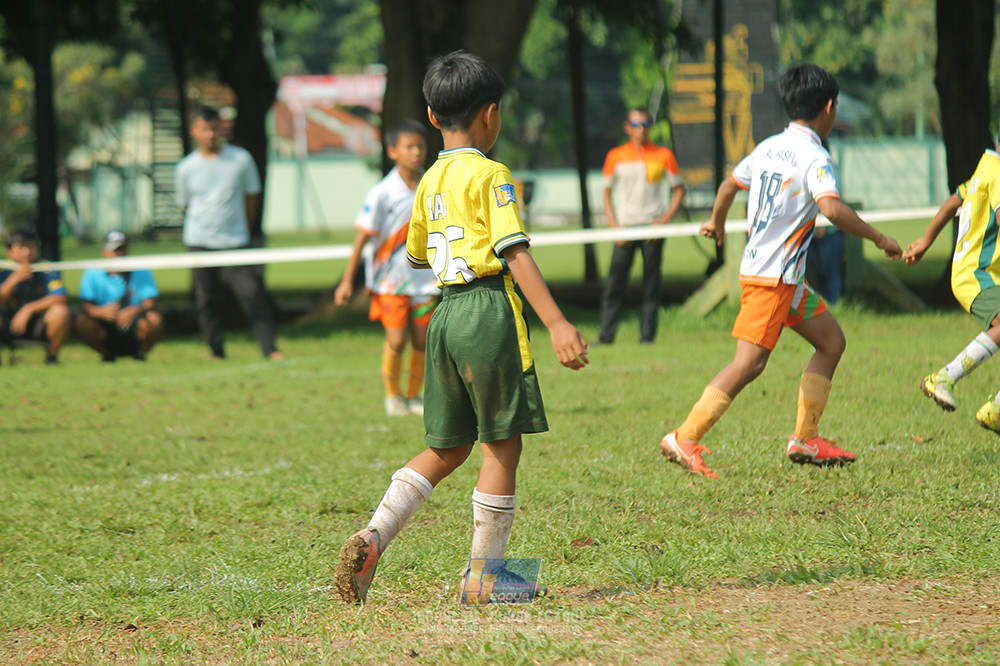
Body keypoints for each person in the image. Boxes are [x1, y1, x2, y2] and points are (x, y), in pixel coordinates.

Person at [333, 51, 589, 605]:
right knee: (502, 444)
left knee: (448, 446)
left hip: (443, 314)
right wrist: (557, 321)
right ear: (491, 115)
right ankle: (486, 579)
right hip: (487, 310)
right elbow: (512, 251)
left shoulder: (426, 181)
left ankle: (373, 535)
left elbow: (418, 254)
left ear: (431, 117)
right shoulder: (492, 175)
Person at [659, 64, 902, 479]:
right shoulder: (816, 156)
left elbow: (726, 186)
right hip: (772, 279)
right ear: (828, 108)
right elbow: (831, 208)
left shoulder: (769, 147)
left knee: (831, 342)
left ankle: (806, 438)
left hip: (784, 280)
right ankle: (685, 436)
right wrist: (879, 237)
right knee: (749, 364)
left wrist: (716, 223)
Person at [335, 120, 440, 417]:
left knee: (422, 340)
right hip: (391, 283)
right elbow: (362, 238)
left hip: (425, 281)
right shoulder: (382, 193)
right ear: (392, 151)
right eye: (409, 147)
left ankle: (413, 395)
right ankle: (393, 396)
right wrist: (346, 281)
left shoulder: (432, 185)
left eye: (420, 146)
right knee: (396, 340)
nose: (416, 152)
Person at [175, 105, 284, 361]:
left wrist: (241, 227)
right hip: (199, 241)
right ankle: (216, 350)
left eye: (214, 128)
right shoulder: (186, 168)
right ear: (195, 131)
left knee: (252, 294)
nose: (210, 134)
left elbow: (251, 197)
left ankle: (270, 348)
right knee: (206, 299)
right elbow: (185, 205)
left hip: (235, 240)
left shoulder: (241, 160)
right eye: (205, 129)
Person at [906, 139, 1000, 432]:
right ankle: (944, 378)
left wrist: (925, 241)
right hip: (977, 273)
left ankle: (996, 411)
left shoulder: (986, 167)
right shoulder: (997, 171)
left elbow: (953, 201)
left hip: (973, 272)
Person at [598, 108, 686, 345]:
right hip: (625, 228)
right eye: (636, 125)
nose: (641, 129)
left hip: (652, 230)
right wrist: (615, 227)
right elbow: (606, 194)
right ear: (627, 127)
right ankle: (606, 336)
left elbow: (679, 190)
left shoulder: (664, 154)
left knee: (651, 285)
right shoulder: (616, 155)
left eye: (645, 124)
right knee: (615, 283)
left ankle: (647, 337)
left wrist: (663, 221)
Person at [75, 231, 164, 362]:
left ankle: (140, 353)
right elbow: (85, 304)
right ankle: (106, 354)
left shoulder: (141, 270)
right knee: (82, 321)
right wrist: (100, 312)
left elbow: (150, 302)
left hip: (134, 323)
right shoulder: (92, 272)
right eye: (115, 250)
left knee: (154, 319)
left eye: (123, 249)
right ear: (104, 252)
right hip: (105, 324)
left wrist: (134, 310)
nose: (119, 254)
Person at [0, 227, 71, 364]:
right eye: (21, 247)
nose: (27, 252)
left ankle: (52, 358)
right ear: (9, 251)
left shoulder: (46, 268)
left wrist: (28, 309)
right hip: (7, 321)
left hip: (39, 321)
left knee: (60, 311)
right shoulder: (3, 270)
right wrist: (12, 281)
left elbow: (60, 297)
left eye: (31, 246)